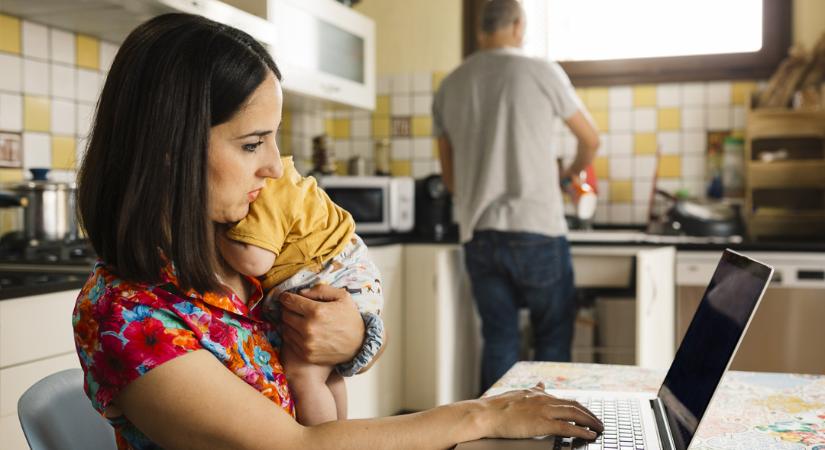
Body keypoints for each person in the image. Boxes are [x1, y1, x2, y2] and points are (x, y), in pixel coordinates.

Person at [73, 12, 603, 449]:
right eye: (252, 144)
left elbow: (358, 324)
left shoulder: (240, 253)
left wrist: (355, 335)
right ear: (172, 148)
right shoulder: (127, 314)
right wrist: (480, 416)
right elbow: (299, 446)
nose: (277, 169)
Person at [432, 0, 600, 393]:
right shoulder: (542, 71)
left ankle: (499, 436)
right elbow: (591, 139)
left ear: (481, 32)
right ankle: (552, 434)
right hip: (537, 228)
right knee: (552, 341)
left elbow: (450, 178)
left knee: (500, 339)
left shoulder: (451, 84)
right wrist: (569, 173)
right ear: (519, 25)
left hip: (480, 233)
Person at [217, 158, 384, 425]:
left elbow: (254, 261)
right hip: (351, 275)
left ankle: (327, 441)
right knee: (327, 375)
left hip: (330, 277)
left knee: (302, 376)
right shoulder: (289, 181)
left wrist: (219, 233)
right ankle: (340, 433)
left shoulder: (267, 188)